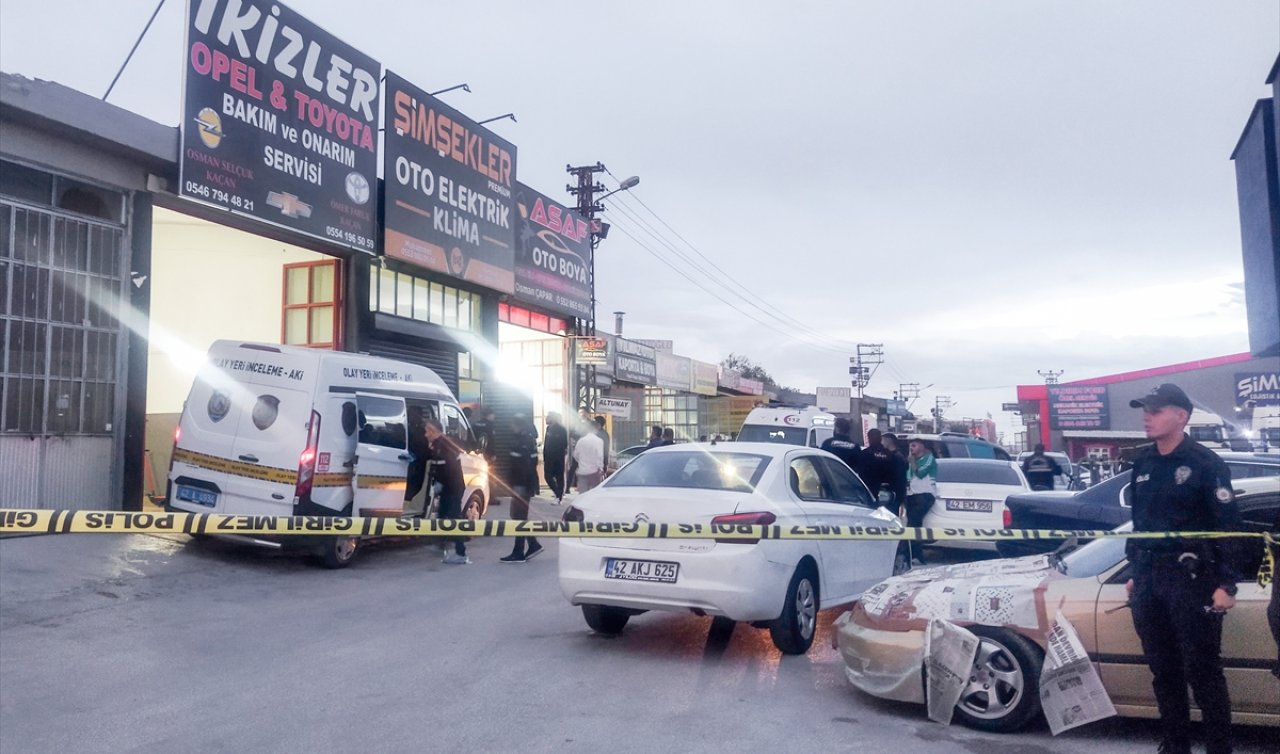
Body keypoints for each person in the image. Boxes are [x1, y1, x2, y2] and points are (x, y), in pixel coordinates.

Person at [1123, 383, 1243, 754]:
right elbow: (1140, 520)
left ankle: (1218, 749)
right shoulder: (1143, 461)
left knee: (1203, 671)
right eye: (1145, 409)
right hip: (1148, 579)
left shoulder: (1206, 463)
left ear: (1181, 416)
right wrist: (1133, 570)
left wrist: (1227, 583)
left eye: (1156, 410)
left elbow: (1228, 526)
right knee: (1163, 671)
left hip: (1191, 580)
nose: (1147, 416)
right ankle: (1175, 746)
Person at [425, 418, 469, 564]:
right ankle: (441, 543)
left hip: (453, 488)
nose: (425, 434)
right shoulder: (439, 445)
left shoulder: (444, 446)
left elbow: (449, 469)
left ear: (434, 431)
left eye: (427, 431)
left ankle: (460, 553)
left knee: (454, 520)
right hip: (449, 487)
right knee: (443, 515)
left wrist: (441, 483)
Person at [501, 415, 543, 563]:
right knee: (518, 516)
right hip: (522, 484)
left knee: (518, 517)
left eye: (512, 424)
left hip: (522, 485)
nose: (510, 427)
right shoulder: (525, 439)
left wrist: (521, 486)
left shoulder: (523, 441)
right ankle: (532, 544)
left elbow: (525, 466)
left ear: (517, 425)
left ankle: (519, 551)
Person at [904, 437, 937, 565]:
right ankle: (916, 553)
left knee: (913, 521)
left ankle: (911, 552)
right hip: (912, 494)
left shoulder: (929, 458)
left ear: (922, 447)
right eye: (910, 446)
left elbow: (921, 473)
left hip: (925, 495)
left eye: (914, 446)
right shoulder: (913, 460)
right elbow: (909, 477)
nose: (911, 449)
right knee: (913, 523)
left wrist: (912, 463)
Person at [403, 406, 431, 516]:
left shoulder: (421, 430)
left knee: (414, 487)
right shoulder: (409, 428)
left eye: (412, 414)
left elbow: (424, 448)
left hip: (420, 464)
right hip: (412, 463)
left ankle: (409, 509)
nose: (411, 417)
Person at [857, 429, 897, 504]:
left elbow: (860, 472)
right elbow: (894, 473)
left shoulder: (864, 454)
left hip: (869, 490)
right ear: (880, 439)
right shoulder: (890, 454)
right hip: (887, 491)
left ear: (869, 439)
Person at [543, 412, 568, 504]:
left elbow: (564, 444)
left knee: (559, 477)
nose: (546, 419)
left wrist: (557, 452)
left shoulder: (561, 429)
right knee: (548, 476)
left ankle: (559, 496)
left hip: (558, 456)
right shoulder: (549, 428)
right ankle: (558, 493)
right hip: (548, 456)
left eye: (548, 417)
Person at [573, 421, 606, 492]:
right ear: (596, 429)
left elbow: (575, 455)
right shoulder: (599, 441)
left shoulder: (581, 441)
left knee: (582, 494)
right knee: (593, 494)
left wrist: (581, 462)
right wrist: (601, 468)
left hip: (582, 471)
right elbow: (600, 456)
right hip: (594, 471)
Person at [881, 433, 909, 508]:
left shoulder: (897, 458)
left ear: (888, 442)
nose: (881, 443)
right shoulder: (892, 456)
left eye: (882, 441)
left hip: (894, 495)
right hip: (891, 494)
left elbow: (900, 479)